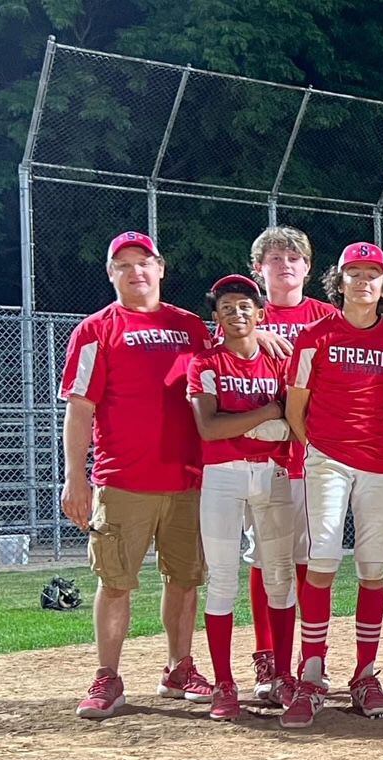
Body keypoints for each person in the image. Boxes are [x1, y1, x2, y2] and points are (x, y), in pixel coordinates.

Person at [63, 231, 215, 719]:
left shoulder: (190, 326)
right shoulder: (96, 329)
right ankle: (108, 675)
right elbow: (80, 409)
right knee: (116, 581)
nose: (136, 272)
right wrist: (76, 477)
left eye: (144, 262)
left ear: (161, 268)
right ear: (111, 273)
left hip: (188, 476)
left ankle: (179, 666)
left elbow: (231, 366)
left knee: (185, 578)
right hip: (123, 477)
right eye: (123, 264)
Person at [281, 242, 383, 728]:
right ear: (339, 281)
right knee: (322, 559)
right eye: (353, 273)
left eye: (372, 274)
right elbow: (297, 406)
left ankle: (365, 673)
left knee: (373, 567)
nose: (363, 282)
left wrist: (367, 437)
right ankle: (312, 672)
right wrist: (318, 448)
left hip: (379, 463)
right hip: (329, 460)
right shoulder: (316, 335)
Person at [187, 275, 297, 720]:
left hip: (271, 473)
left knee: (279, 575)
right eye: (227, 306)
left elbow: (295, 418)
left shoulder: (278, 362)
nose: (237, 313)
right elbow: (209, 428)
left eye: (246, 305)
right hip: (223, 476)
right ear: (216, 317)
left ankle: (283, 676)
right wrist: (268, 413)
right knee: (223, 578)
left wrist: (250, 421)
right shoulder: (206, 363)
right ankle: (224, 684)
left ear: (261, 313)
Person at [241, 226, 336, 700]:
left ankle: (311, 657)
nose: (285, 264)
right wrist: (253, 330)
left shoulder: (328, 316)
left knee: (313, 558)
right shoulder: (244, 316)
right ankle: (268, 658)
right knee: (267, 559)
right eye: (275, 257)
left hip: (319, 455)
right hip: (264, 455)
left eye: (295, 256)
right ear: (259, 269)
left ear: (308, 268)